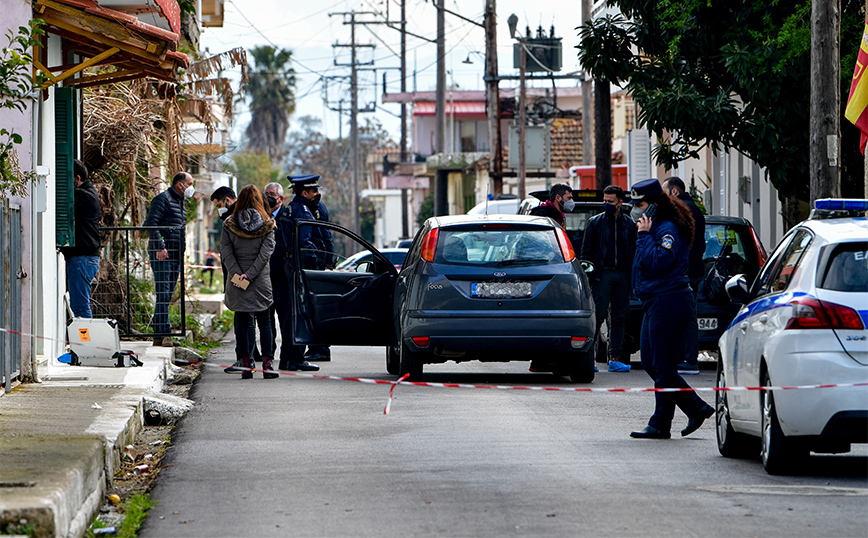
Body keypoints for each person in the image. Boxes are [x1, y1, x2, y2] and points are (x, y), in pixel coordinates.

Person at [628, 178, 714, 439]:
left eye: (639, 204)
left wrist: (643, 236)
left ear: (653, 206)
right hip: (655, 301)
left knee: (663, 365)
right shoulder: (654, 226)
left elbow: (659, 262)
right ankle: (695, 407)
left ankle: (660, 423)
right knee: (651, 363)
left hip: (670, 300)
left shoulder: (666, 229)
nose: (635, 210)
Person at [221, 185, 278, 379]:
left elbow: (226, 253)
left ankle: (246, 365)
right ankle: (268, 366)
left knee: (243, 322)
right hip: (260, 280)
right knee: (265, 322)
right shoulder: (268, 224)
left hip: (238, 281)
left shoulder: (229, 223)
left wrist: (239, 275)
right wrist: (251, 275)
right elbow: (265, 254)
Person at [581, 185, 636, 373]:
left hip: (623, 274)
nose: (606, 204)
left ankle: (615, 357)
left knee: (619, 317)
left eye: (610, 202)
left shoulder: (629, 224)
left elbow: (634, 252)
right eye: (604, 201)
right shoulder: (595, 223)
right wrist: (590, 276)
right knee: (598, 315)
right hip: (602, 275)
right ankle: (591, 358)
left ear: (620, 202)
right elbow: (586, 253)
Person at [270, 175, 322, 372]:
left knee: (289, 315)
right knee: (297, 314)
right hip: (297, 268)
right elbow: (305, 244)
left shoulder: (289, 208)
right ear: (304, 192)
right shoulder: (302, 211)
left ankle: (289, 358)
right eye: (314, 191)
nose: (317, 194)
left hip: (287, 267)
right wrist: (316, 262)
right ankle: (294, 358)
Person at [211, 186, 261, 373]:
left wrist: (238, 276)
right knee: (250, 316)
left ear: (228, 200)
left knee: (243, 317)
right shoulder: (260, 220)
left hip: (238, 275)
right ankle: (255, 357)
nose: (219, 209)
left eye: (219, 204)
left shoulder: (233, 221)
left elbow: (228, 253)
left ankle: (245, 359)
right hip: (251, 276)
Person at [143, 171, 193, 347]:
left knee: (167, 295)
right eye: (190, 184)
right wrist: (160, 246)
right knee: (163, 295)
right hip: (163, 255)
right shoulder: (163, 199)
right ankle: (165, 335)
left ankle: (159, 335)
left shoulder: (180, 202)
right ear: (180, 184)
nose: (191, 188)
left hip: (175, 255)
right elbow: (151, 224)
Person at [662, 177, 706, 376]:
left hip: (683, 272)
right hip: (694, 269)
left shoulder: (680, 210)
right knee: (687, 314)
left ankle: (687, 359)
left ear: (674, 192)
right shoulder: (696, 209)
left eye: (665, 191)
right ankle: (687, 358)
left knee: (683, 316)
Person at [61, 160, 101, 318]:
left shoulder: (82, 195)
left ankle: (85, 343)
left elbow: (61, 200)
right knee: (80, 305)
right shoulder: (90, 193)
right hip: (86, 258)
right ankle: (83, 342)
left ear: (77, 178)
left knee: (80, 307)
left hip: (82, 259)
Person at [301, 182, 334, 363]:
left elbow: (324, 233)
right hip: (317, 261)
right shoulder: (310, 207)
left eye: (317, 190)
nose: (318, 193)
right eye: (315, 190)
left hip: (314, 263)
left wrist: (327, 259)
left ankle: (319, 348)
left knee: (314, 307)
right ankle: (316, 347)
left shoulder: (315, 208)